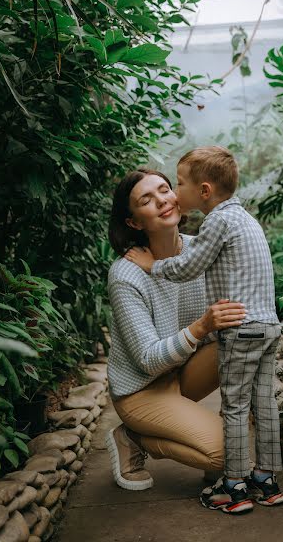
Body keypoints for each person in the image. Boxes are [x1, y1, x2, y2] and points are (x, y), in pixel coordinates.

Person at [126, 147, 283, 513]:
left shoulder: (216, 222)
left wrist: (154, 267)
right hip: (268, 326)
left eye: (178, 184)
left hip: (241, 329)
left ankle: (233, 487)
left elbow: (188, 268)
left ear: (205, 191)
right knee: (264, 403)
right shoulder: (245, 218)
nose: (174, 192)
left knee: (234, 407)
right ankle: (267, 478)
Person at [106, 168, 248, 502]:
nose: (162, 201)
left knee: (240, 332)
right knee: (227, 455)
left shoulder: (203, 250)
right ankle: (133, 437)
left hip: (182, 374)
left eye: (165, 190)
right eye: (146, 199)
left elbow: (233, 315)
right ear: (134, 223)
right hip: (141, 390)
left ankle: (201, 425)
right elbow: (148, 360)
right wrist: (202, 326)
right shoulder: (125, 274)